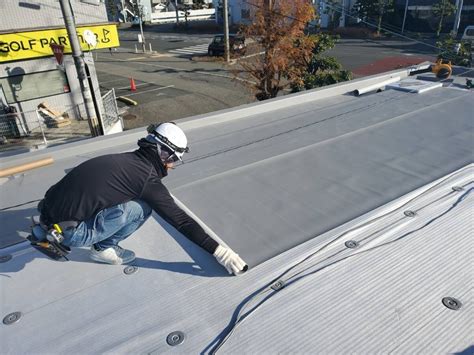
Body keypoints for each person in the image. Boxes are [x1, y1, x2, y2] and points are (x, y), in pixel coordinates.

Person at [37, 122, 248, 275]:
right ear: (163, 154)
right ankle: (102, 249)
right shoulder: (146, 178)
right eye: (174, 159)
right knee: (143, 208)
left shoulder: (125, 159)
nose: (173, 165)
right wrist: (220, 252)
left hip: (47, 210)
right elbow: (181, 221)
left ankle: (52, 228)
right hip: (69, 233)